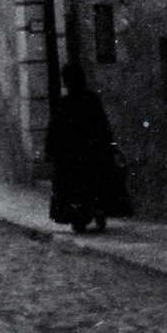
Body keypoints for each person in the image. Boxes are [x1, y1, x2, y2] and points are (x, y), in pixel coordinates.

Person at [45, 62, 124, 233]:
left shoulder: (64, 103)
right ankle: (94, 214)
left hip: (73, 158)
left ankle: (80, 219)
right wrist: (110, 148)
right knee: (91, 187)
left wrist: (50, 150)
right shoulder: (90, 99)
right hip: (89, 155)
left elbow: (54, 130)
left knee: (76, 189)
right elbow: (103, 127)